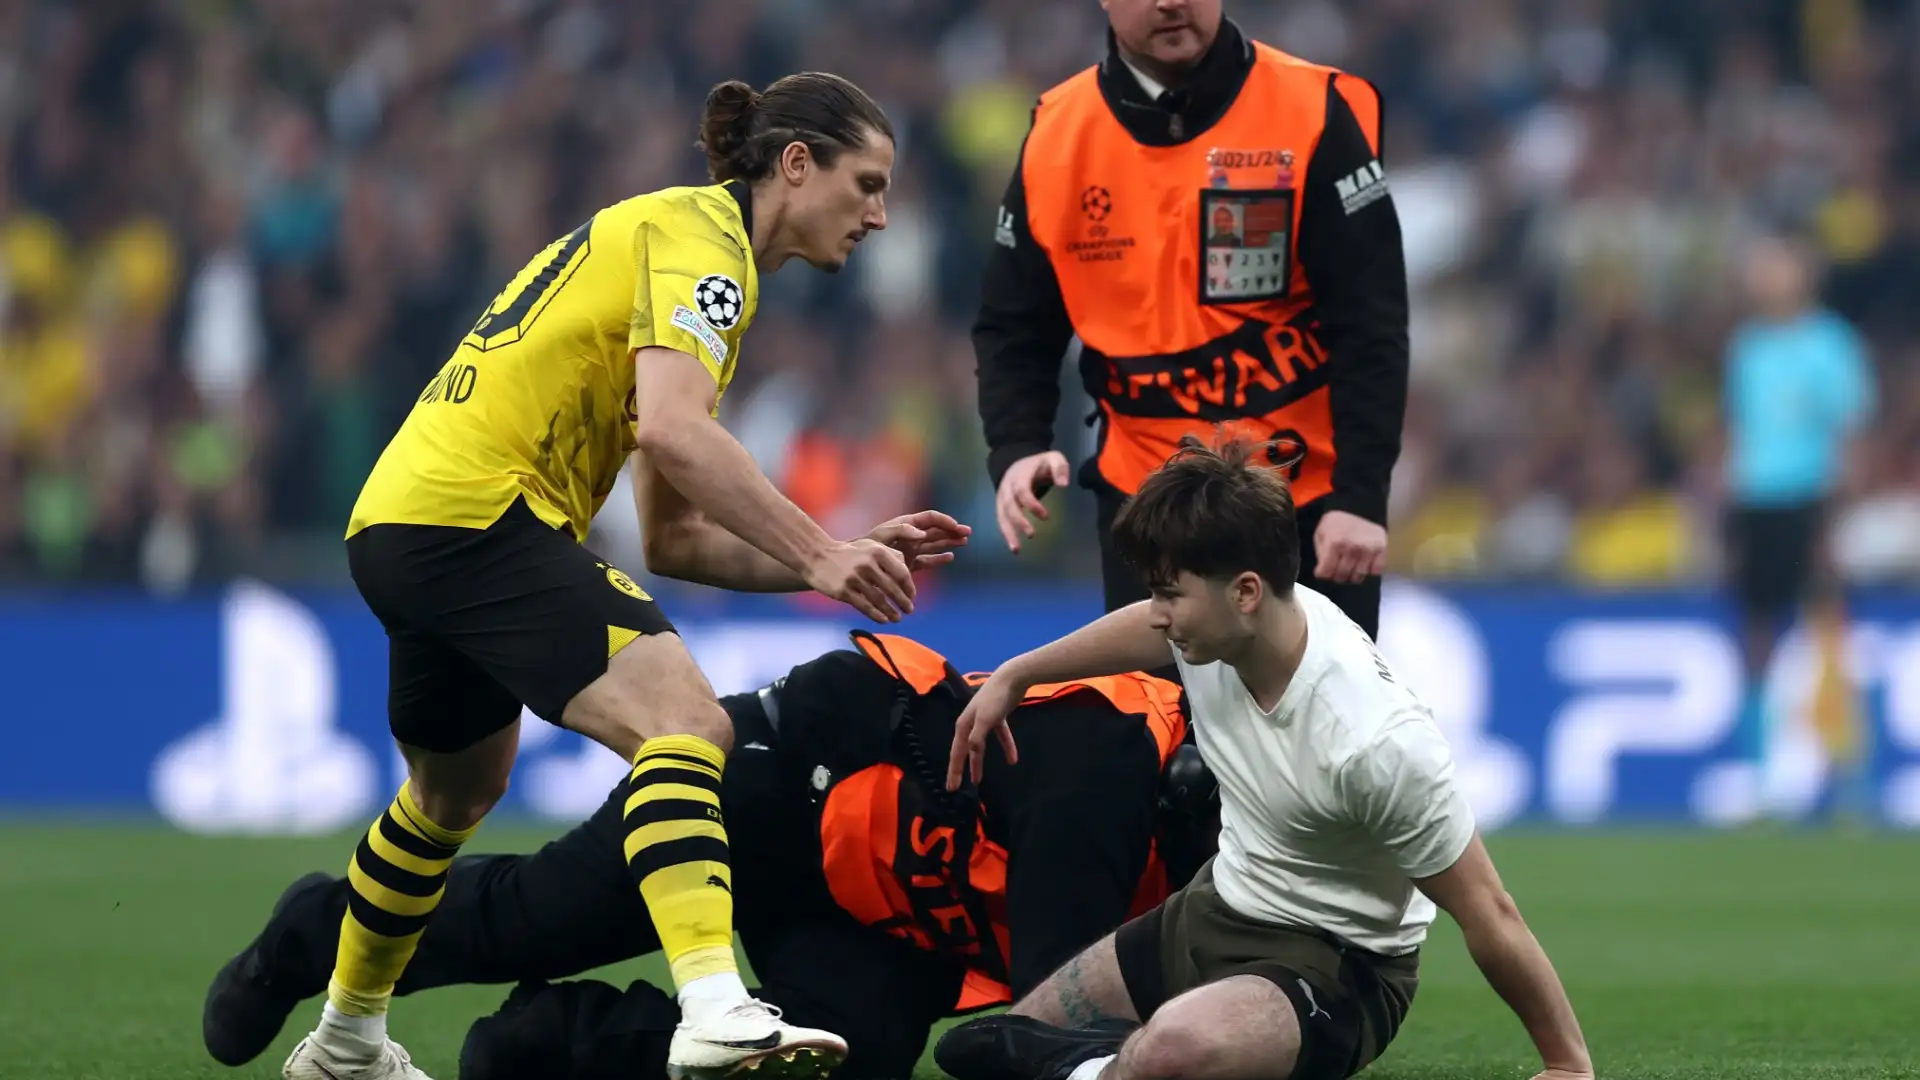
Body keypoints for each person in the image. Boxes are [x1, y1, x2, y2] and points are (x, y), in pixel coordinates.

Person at [293, 73, 970, 1080]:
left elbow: (676, 540)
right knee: (688, 726)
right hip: (482, 513)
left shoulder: (682, 247)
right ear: (795, 164)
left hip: (407, 521)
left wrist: (834, 549)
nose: (878, 215)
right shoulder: (709, 248)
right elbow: (673, 430)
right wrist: (820, 551)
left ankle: (345, 1042)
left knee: (450, 795)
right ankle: (713, 1008)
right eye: (866, 183)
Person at [204, 632, 1214, 1080]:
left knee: (831, 1069)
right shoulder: (1109, 776)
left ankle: (553, 1047)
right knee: (532, 919)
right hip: (782, 784)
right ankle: (309, 933)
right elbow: (1052, 1019)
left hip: (877, 918)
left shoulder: (1181, 819)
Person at [941, 439, 1593, 1080]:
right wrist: (1019, 674)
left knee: (1170, 1052)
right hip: (1214, 909)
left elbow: (1488, 910)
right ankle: (1094, 1061)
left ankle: (1093, 1066)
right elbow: (1145, 625)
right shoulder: (1219, 627)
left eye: (1171, 595)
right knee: (987, 1047)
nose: (1159, 617)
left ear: (1246, 593)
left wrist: (1567, 1064)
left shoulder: (1372, 740)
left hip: (1336, 966)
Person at [974, 0, 1409, 635]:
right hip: (1146, 510)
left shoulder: (1311, 111)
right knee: (1160, 730)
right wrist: (1017, 445)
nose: (1170, 2)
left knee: (1322, 734)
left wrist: (1360, 499)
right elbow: (1013, 325)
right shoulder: (1058, 135)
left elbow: (1372, 325)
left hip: (1307, 509)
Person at [1722, 234, 1874, 792]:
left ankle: (1847, 778)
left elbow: (1850, 434)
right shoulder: (1748, 348)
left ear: (1805, 273)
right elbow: (1740, 434)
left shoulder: (1830, 344)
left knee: (1826, 633)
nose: (1763, 276)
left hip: (1809, 499)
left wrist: (1835, 518)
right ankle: (1759, 776)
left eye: (1776, 265)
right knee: (1756, 637)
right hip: (1755, 502)